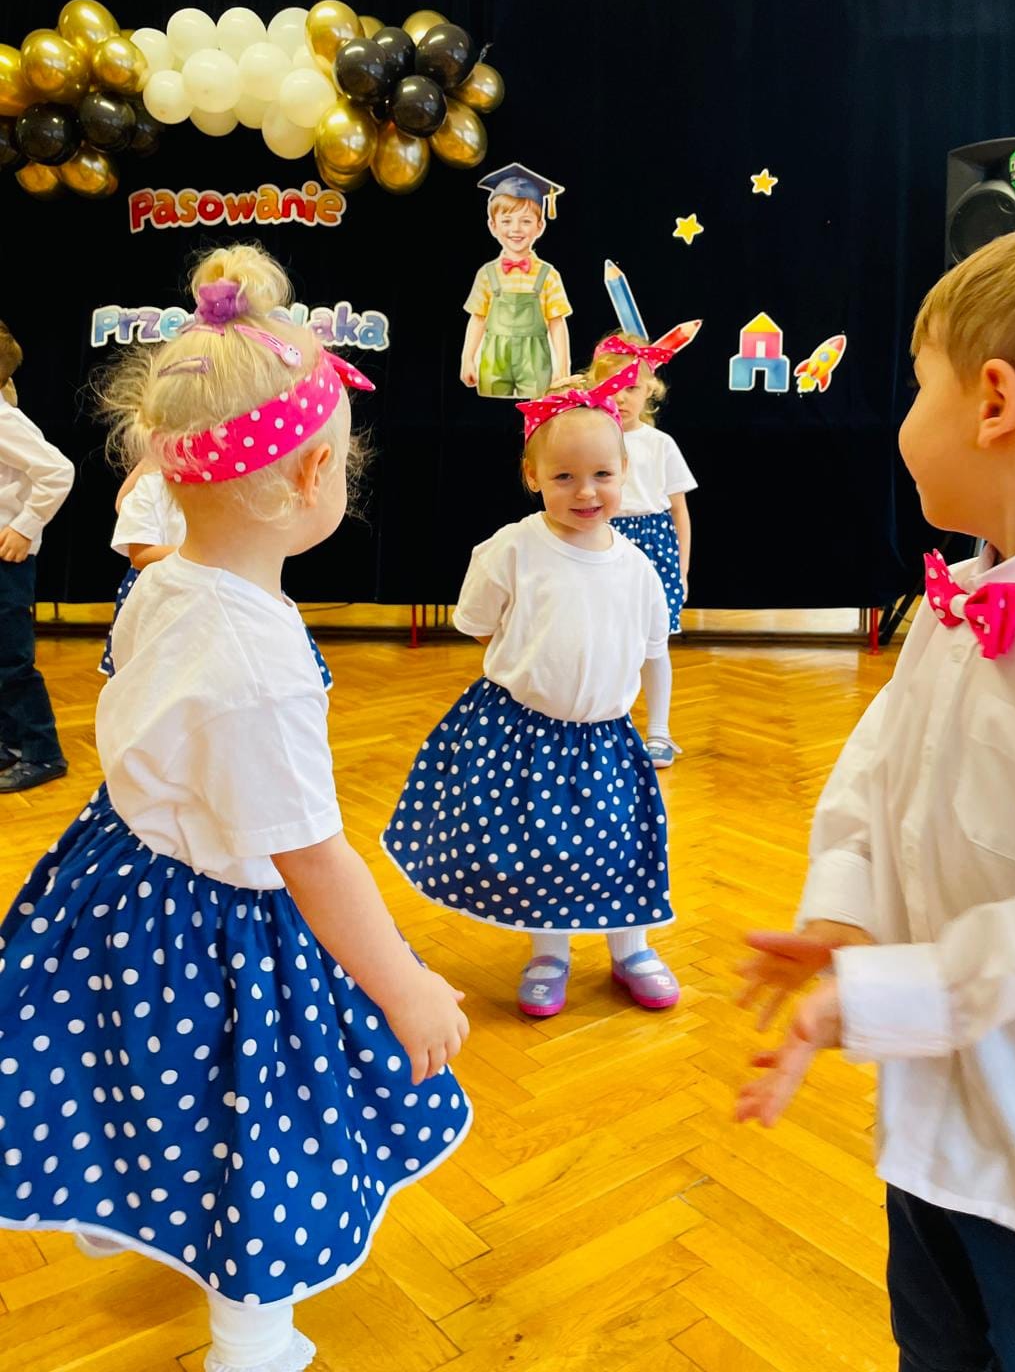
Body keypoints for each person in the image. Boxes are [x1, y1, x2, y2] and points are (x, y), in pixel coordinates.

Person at [736, 200, 1015, 1372]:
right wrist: (847, 908)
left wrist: (889, 994)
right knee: (935, 1344)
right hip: (940, 1106)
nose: (906, 415)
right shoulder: (966, 596)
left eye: (916, 385)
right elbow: (880, 759)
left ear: (994, 402)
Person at [0, 245, 471, 1372]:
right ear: (316, 476)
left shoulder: (162, 579)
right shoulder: (258, 665)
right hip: (221, 924)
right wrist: (403, 985)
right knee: (261, 1124)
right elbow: (312, 857)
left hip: (126, 884)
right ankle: (251, 1341)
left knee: (156, 1094)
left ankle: (158, 1233)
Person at [383, 364, 680, 1019]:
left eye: (602, 474)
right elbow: (478, 622)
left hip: (606, 738)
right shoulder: (512, 549)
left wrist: (648, 723)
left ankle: (632, 950)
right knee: (541, 849)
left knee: (617, 846)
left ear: (625, 472)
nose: (586, 491)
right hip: (525, 732)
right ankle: (549, 953)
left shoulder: (638, 568)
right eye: (564, 477)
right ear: (532, 476)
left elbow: (651, 649)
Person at [100, 462, 334, 690]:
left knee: (241, 672)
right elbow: (140, 554)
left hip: (232, 585)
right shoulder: (151, 487)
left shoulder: (232, 486)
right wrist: (201, 554)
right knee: (169, 679)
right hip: (168, 596)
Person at [588, 328, 698, 769]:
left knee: (654, 645)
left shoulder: (660, 444)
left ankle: (659, 732)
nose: (622, 396)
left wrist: (682, 570)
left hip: (654, 548)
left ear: (650, 389)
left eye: (632, 386)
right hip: (601, 541)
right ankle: (603, 725)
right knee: (601, 640)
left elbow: (679, 511)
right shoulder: (592, 437)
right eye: (613, 385)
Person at [0, 318, 73, 794]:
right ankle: (9, 743)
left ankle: (42, 751)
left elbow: (58, 471)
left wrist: (25, 527)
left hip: (6, 562)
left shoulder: (4, 420)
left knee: (10, 660)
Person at [460, 163, 571, 400]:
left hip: (534, 360)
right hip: (494, 358)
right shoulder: (487, 274)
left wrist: (562, 369)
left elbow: (557, 323)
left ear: (540, 226)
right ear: (493, 226)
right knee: (491, 409)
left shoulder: (549, 275)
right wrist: (467, 359)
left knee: (534, 408)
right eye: (507, 221)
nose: (516, 229)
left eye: (526, 221)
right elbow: (478, 318)